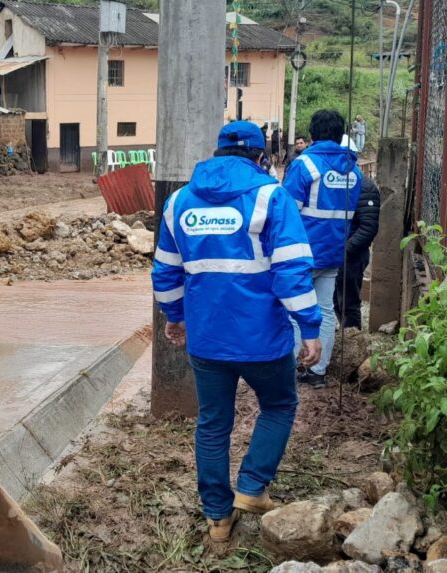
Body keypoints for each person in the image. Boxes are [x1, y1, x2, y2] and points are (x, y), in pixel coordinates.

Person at [152, 121, 322, 543]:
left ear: (217, 153)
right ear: (261, 157)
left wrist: (174, 315)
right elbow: (292, 270)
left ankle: (217, 518)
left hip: (207, 340)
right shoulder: (271, 196)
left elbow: (165, 270)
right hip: (262, 339)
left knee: (213, 423)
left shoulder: (178, 201)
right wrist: (310, 327)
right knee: (280, 405)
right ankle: (251, 487)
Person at [282, 110, 363, 388]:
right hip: (334, 252)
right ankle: (318, 371)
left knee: (296, 310)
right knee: (326, 310)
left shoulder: (305, 165)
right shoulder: (354, 169)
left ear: (313, 134)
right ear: (341, 135)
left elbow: (286, 213)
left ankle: (298, 365)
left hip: (302, 253)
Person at [334, 136, 380, 329]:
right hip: (335, 253)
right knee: (336, 301)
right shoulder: (333, 183)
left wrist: (345, 250)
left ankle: (353, 343)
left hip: (351, 256)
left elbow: (368, 228)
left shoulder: (365, 186)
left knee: (349, 302)